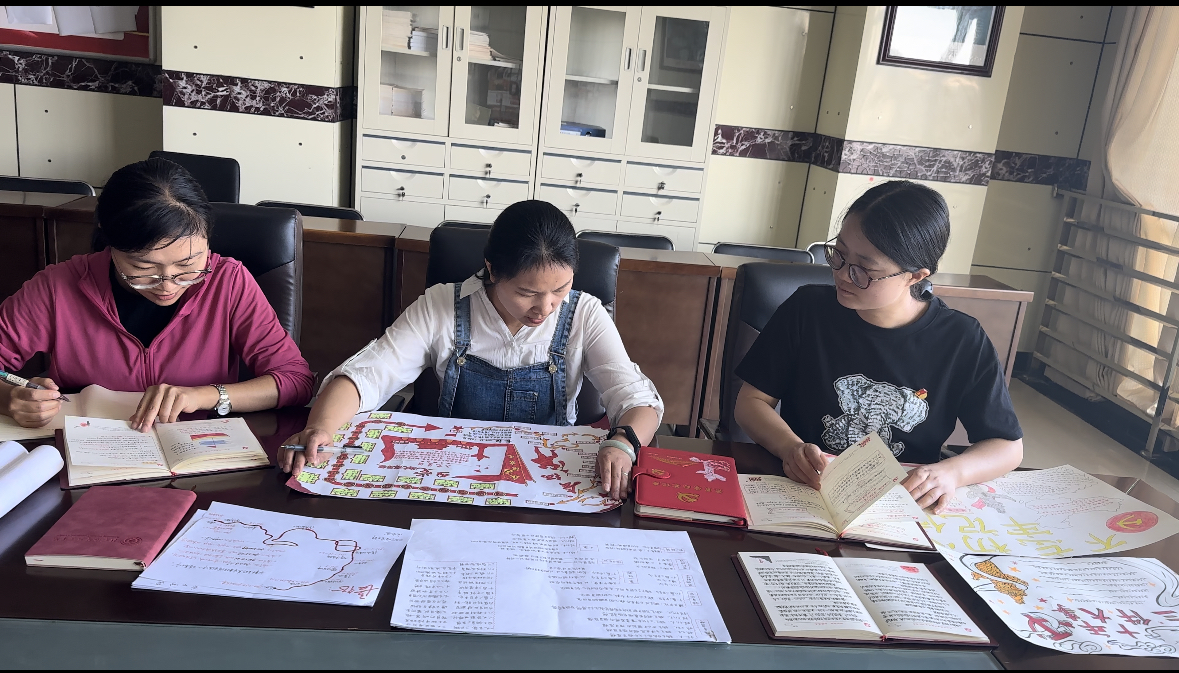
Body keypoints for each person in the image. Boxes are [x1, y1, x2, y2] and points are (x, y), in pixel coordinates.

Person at [281, 200, 663, 498]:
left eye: (559, 290)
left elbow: (637, 399)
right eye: (526, 293)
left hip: (547, 480)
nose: (545, 308)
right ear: (492, 270)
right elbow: (369, 374)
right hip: (454, 478)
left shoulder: (583, 313)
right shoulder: (443, 306)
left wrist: (623, 442)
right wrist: (321, 426)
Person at [733, 180, 1023, 512]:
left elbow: (1007, 446)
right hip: (806, 490)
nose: (843, 274)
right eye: (839, 254)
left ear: (915, 276)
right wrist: (790, 449)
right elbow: (751, 401)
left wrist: (951, 472)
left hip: (904, 503)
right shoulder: (807, 310)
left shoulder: (960, 339)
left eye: (864, 269)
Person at [0, 158, 315, 430]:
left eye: (188, 265)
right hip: (87, 451)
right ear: (109, 241)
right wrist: (10, 398)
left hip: (199, 454)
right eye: (143, 267)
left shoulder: (228, 282)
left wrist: (204, 395)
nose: (168, 285)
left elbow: (295, 380)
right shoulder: (57, 287)